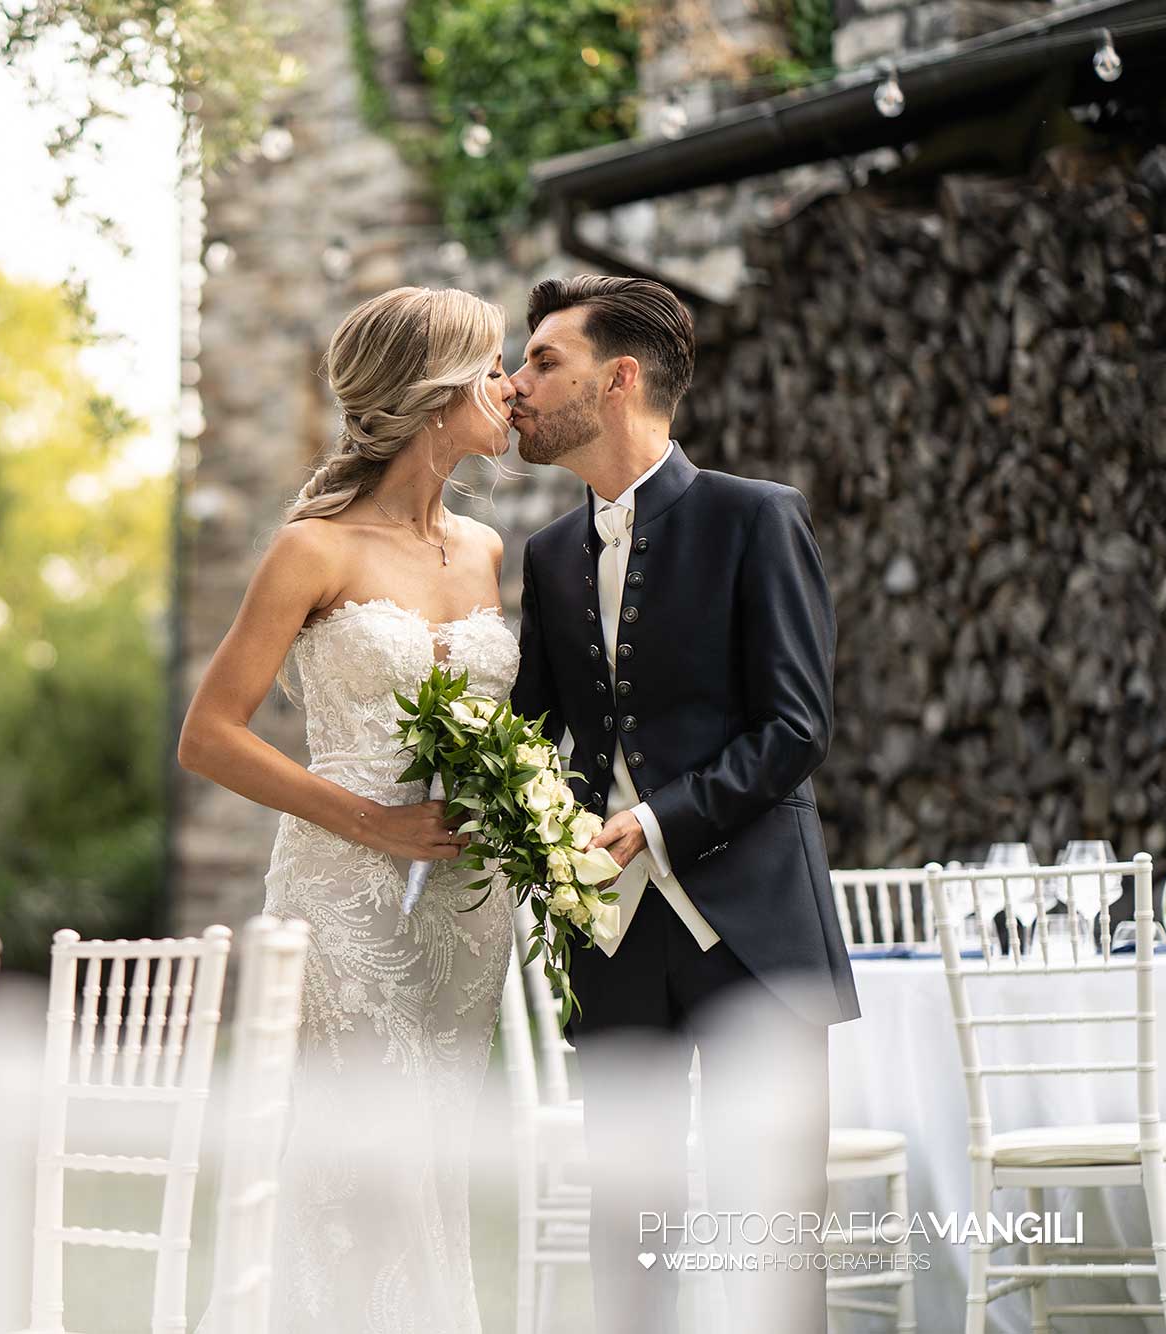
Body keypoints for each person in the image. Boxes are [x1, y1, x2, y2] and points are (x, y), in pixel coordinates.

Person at [506, 274, 859, 1332]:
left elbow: (795, 726)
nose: (513, 385)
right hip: (609, 936)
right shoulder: (543, 553)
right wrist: (546, 821)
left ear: (617, 380)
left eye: (540, 362)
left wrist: (656, 820)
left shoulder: (754, 517)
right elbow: (544, 739)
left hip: (753, 929)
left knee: (775, 1245)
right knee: (628, 1246)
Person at [178, 285, 519, 1332]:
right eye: (491, 368)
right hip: (343, 894)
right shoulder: (311, 549)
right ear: (433, 400)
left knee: (436, 1150)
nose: (508, 389)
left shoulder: (485, 550)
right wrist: (368, 822)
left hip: (465, 901)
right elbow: (208, 734)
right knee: (369, 1160)